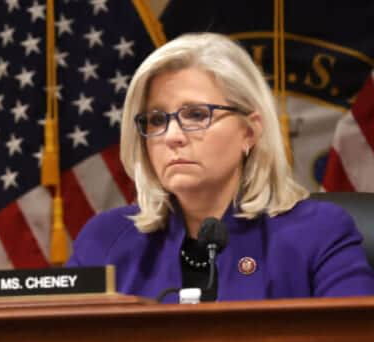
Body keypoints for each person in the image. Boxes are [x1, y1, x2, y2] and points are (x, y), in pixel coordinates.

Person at [67, 33, 374, 301]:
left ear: (250, 132)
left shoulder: (318, 232)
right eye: (157, 120)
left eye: (197, 115)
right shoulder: (105, 240)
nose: (172, 136)